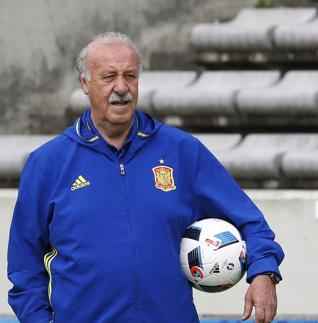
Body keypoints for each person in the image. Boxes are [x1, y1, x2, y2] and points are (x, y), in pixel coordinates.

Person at [7, 31, 284, 323]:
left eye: (130, 75)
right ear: (85, 84)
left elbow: (250, 221)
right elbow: (25, 264)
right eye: (108, 76)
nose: (121, 87)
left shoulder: (182, 152)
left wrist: (263, 272)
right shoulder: (48, 163)